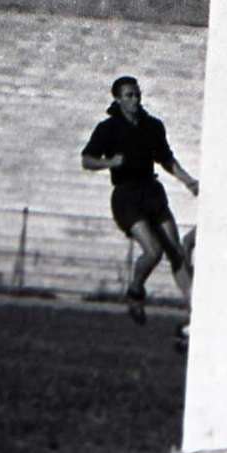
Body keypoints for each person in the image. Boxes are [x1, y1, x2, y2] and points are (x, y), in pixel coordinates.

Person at [80, 75, 199, 325]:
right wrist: (109, 162)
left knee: (176, 252)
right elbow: (87, 160)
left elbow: (166, 159)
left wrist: (189, 181)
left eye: (137, 94)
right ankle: (135, 290)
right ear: (118, 99)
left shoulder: (152, 126)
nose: (135, 100)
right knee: (153, 251)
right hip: (126, 196)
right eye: (129, 96)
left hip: (152, 192)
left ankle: (195, 309)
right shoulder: (108, 128)